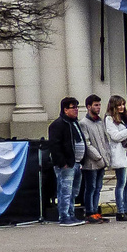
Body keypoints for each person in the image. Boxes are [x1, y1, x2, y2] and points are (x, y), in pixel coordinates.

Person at [47, 96, 87, 226]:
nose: (76, 110)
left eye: (76, 107)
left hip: (76, 162)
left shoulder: (75, 123)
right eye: (73, 107)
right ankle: (64, 216)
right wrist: (62, 162)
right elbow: (55, 145)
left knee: (73, 192)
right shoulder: (58, 125)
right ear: (65, 110)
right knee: (65, 191)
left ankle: (71, 214)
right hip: (66, 164)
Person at [104, 94, 127, 221]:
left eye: (123, 104)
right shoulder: (109, 119)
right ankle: (121, 211)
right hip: (120, 153)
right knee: (122, 183)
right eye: (119, 105)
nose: (122, 107)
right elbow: (116, 136)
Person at [79, 94, 111, 221]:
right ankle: (89, 211)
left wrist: (107, 156)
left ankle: (95, 209)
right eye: (95, 105)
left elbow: (105, 140)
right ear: (88, 107)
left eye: (99, 105)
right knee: (90, 187)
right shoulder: (83, 123)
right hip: (91, 162)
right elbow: (87, 144)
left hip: (102, 160)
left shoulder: (100, 122)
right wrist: (98, 157)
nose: (98, 108)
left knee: (98, 187)